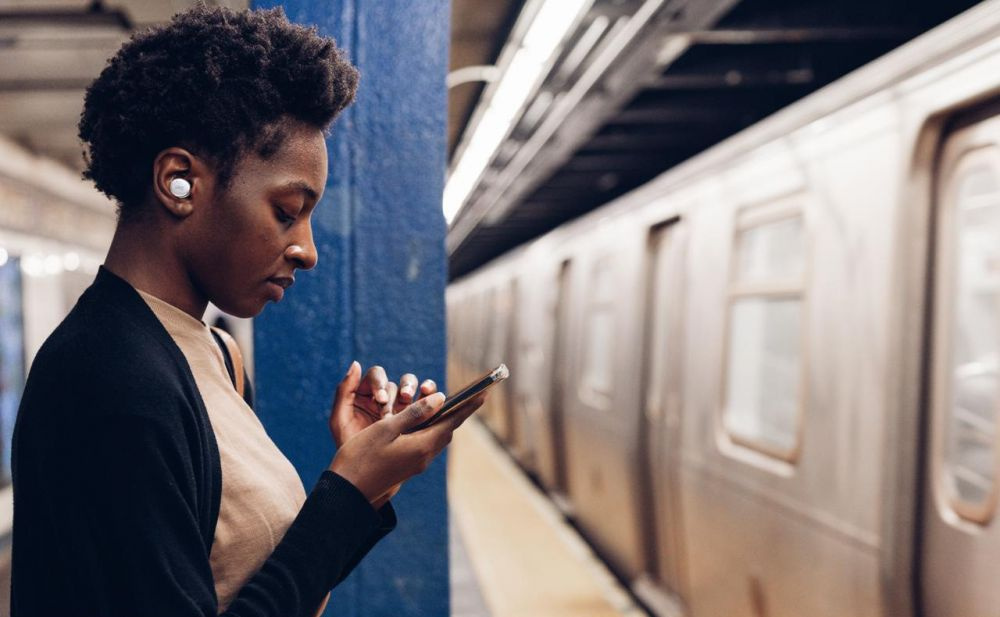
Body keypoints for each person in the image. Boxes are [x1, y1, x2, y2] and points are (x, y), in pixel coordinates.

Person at [10, 5, 482, 617]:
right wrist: (345, 494)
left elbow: (256, 582)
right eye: (287, 211)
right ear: (180, 181)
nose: (307, 251)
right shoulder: (108, 378)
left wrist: (367, 485)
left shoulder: (214, 353)